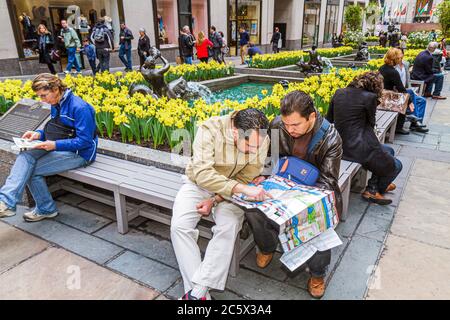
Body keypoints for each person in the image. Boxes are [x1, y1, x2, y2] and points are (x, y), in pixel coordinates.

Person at [248, 91, 343, 299]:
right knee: (253, 207)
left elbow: (327, 181)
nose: (289, 130)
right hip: (279, 184)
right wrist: (264, 176)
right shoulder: (277, 125)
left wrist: (294, 196)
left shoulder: (331, 137)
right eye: (286, 124)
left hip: (315, 190)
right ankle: (266, 246)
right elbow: (270, 159)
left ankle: (317, 274)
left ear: (311, 117)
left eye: (295, 125)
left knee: (317, 222)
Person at [171, 108, 270, 300]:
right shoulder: (209, 129)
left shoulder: (261, 138)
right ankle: (202, 295)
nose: (255, 151)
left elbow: (247, 176)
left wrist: (215, 199)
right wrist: (239, 189)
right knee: (179, 227)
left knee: (230, 225)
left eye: (257, 147)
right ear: (235, 132)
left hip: (230, 192)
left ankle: (196, 292)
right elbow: (202, 173)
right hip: (199, 185)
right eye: (250, 146)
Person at [0, 73, 97, 221]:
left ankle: (46, 209)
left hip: (80, 154)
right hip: (60, 146)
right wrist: (38, 134)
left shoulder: (80, 108)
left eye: (44, 95)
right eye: (40, 96)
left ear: (56, 89)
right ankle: (6, 202)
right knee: (26, 154)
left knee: (30, 171)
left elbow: (85, 142)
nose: (42, 100)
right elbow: (55, 129)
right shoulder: (56, 104)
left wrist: (55, 145)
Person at [327, 71, 403, 206]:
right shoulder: (370, 97)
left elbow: (330, 119)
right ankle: (376, 189)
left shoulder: (339, 92)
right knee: (396, 165)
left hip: (340, 144)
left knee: (389, 151)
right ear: (377, 86)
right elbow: (371, 123)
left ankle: (373, 188)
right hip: (358, 148)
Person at [379, 47, 415, 135]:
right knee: (404, 100)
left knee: (408, 94)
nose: (401, 59)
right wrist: (409, 102)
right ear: (396, 59)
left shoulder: (383, 67)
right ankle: (398, 127)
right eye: (399, 58)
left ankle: (411, 119)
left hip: (382, 94)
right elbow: (401, 89)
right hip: (385, 98)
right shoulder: (393, 72)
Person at [395, 49, 429, 133]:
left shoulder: (406, 64)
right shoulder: (393, 66)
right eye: (397, 54)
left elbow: (408, 80)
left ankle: (416, 124)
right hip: (397, 92)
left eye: (400, 53)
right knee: (410, 92)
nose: (399, 55)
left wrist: (412, 91)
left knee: (422, 100)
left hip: (406, 90)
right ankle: (416, 122)